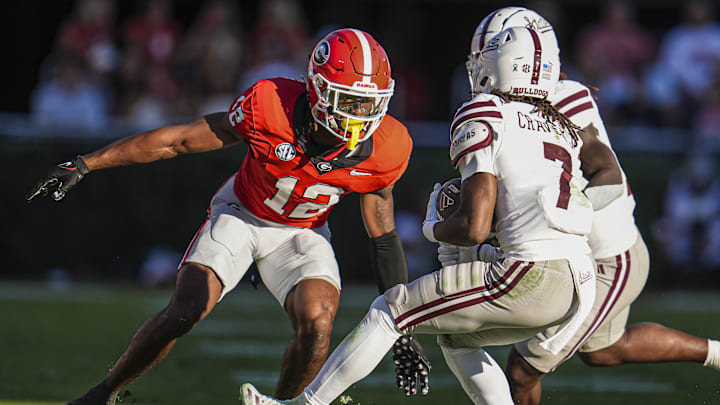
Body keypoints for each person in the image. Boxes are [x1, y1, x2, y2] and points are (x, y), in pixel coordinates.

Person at [27, 28, 428, 404]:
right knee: (186, 309)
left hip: (303, 232)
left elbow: (384, 237)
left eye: (369, 103)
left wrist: (402, 328)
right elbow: (179, 141)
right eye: (350, 101)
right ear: (319, 89)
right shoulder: (270, 105)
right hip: (243, 213)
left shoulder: (388, 148)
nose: (361, 114)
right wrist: (87, 163)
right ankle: (104, 393)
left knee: (318, 327)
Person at [238, 25, 624, 405]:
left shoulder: (486, 112)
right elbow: (609, 176)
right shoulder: (560, 123)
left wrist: (432, 228)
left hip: (528, 273)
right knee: (456, 339)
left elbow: (473, 228)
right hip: (580, 281)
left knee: (390, 310)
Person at [453, 7, 720, 405]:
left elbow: (607, 176)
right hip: (584, 254)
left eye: (492, 52)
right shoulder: (511, 106)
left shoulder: (564, 96)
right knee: (603, 351)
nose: (483, 64)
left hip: (607, 256)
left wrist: (551, 222)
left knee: (523, 369)